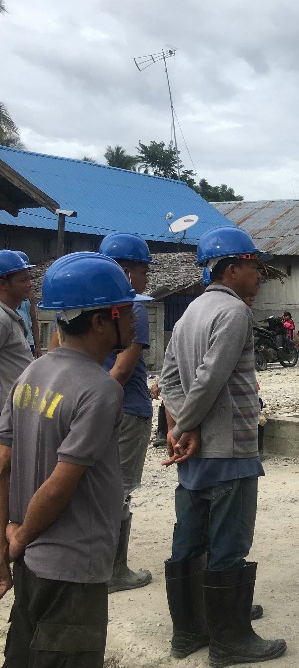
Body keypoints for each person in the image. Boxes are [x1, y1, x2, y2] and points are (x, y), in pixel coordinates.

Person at [0, 252, 150, 668]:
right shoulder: (98, 390)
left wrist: (8, 539)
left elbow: (2, 463)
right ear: (104, 320)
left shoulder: (31, 375)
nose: (133, 319)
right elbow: (63, 483)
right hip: (73, 569)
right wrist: (22, 533)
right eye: (126, 311)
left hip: (33, 569)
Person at [159, 226, 286, 668]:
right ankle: (230, 640)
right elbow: (212, 376)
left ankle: (190, 630)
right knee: (229, 542)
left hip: (194, 453)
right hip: (229, 449)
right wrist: (190, 425)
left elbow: (170, 378)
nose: (259, 276)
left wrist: (180, 428)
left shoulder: (191, 311)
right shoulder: (233, 313)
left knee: (190, 538)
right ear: (233, 268)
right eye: (254, 267)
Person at [98, 233, 157, 593]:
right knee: (119, 491)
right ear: (128, 270)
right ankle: (114, 571)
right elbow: (121, 372)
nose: (146, 277)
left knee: (99, 488)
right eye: (144, 269)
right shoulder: (134, 309)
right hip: (127, 410)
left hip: (95, 410)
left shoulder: (89, 306)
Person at [0, 251, 34, 406]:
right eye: (23, 280)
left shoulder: (9, 315)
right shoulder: (2, 320)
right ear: (3, 284)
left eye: (29, 278)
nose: (30, 284)